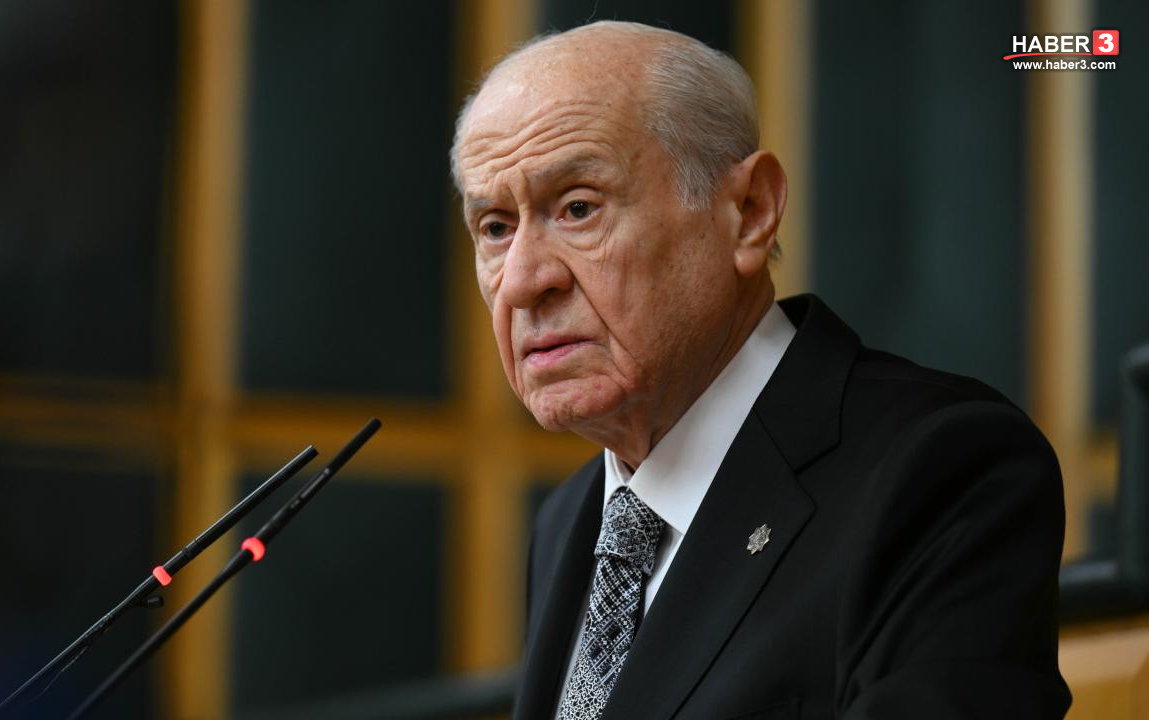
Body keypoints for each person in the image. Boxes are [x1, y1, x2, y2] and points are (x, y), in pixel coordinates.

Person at [450, 20, 1070, 720]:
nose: (522, 281)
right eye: (495, 228)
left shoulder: (940, 469)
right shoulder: (567, 519)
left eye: (578, 208)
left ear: (748, 212)